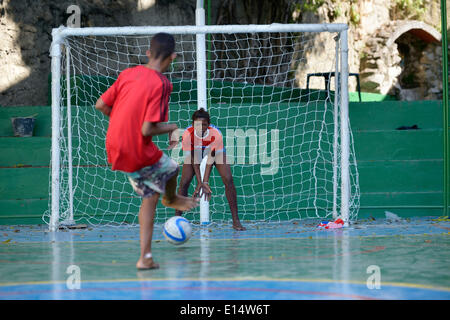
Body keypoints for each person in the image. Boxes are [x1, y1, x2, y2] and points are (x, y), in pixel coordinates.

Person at [95, 32, 198, 271]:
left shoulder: (127, 73)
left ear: (147, 52)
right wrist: (173, 127)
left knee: (162, 179)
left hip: (114, 143)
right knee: (159, 186)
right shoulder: (162, 84)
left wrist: (122, 121)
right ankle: (147, 254)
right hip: (134, 146)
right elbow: (147, 128)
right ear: (173, 57)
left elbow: (101, 104)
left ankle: (168, 204)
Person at [176, 108, 246, 231]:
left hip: (215, 154)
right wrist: (199, 182)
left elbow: (211, 158)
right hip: (195, 154)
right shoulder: (187, 134)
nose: (201, 127)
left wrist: (205, 182)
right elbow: (193, 159)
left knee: (228, 179)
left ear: (208, 125)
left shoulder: (216, 133)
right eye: (198, 124)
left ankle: (236, 221)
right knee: (184, 182)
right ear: (193, 125)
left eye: (204, 124)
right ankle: (176, 220)